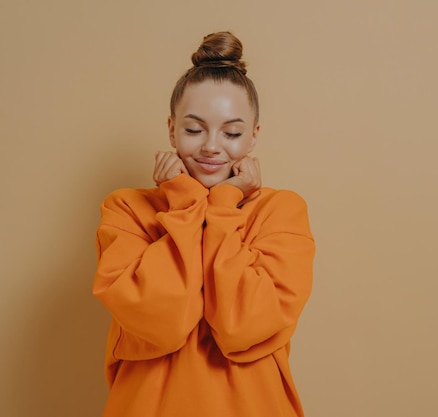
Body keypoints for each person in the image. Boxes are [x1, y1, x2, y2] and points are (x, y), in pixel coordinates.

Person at [93, 31, 315, 417]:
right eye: (194, 129)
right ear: (171, 129)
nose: (212, 146)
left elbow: (240, 326)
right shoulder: (126, 209)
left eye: (231, 132)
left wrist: (224, 203)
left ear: (253, 138)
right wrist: (184, 201)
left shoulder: (282, 211)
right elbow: (162, 322)